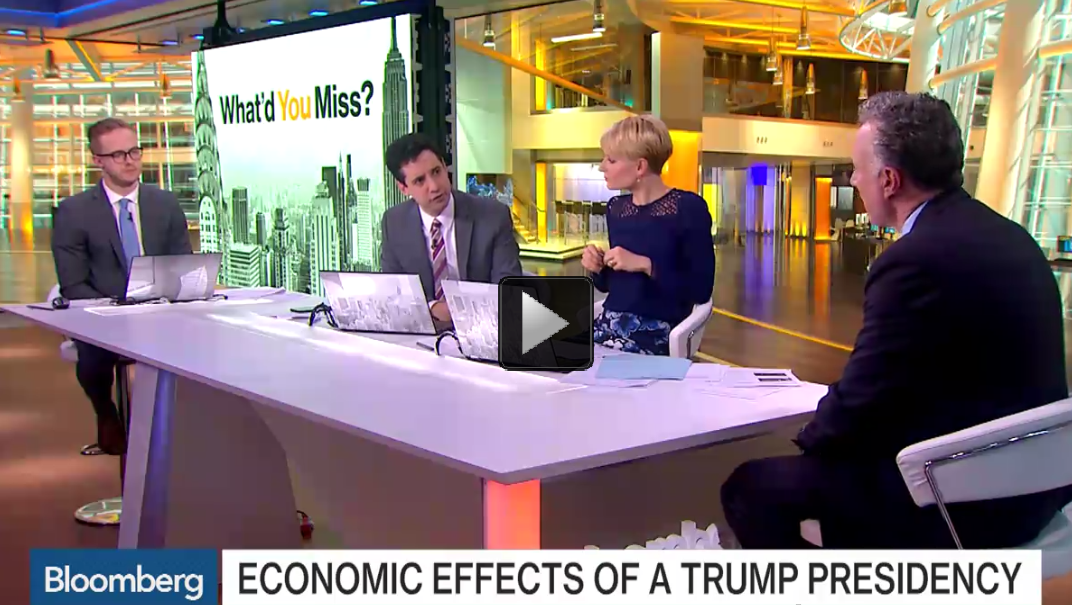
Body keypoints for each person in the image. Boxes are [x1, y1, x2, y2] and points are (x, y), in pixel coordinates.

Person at [721, 92, 1072, 549]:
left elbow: (865, 394)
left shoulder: (914, 259)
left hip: (968, 502)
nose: (853, 179)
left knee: (750, 489)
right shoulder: (1012, 236)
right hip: (1037, 484)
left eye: (857, 170)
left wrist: (810, 436)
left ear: (888, 180)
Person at [51, 117, 192, 455]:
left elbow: (182, 266)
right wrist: (120, 309)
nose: (129, 161)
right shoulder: (73, 212)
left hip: (160, 310)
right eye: (118, 155)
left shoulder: (165, 203)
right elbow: (73, 284)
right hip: (103, 314)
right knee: (93, 354)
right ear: (97, 160)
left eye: (134, 151)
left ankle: (178, 433)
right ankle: (105, 410)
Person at [582, 115, 715, 356]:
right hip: (607, 327)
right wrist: (598, 268)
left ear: (640, 167)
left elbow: (700, 289)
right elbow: (612, 286)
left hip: (655, 333)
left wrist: (646, 265)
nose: (602, 167)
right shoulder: (617, 209)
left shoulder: (688, 209)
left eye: (611, 160)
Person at [380, 133, 522, 323]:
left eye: (436, 172)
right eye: (420, 181)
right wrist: (433, 307)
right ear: (404, 188)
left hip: (482, 325)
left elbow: (508, 289)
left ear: (444, 166)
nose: (434, 186)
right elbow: (393, 290)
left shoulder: (492, 216)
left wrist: (461, 311)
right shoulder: (394, 222)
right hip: (423, 329)